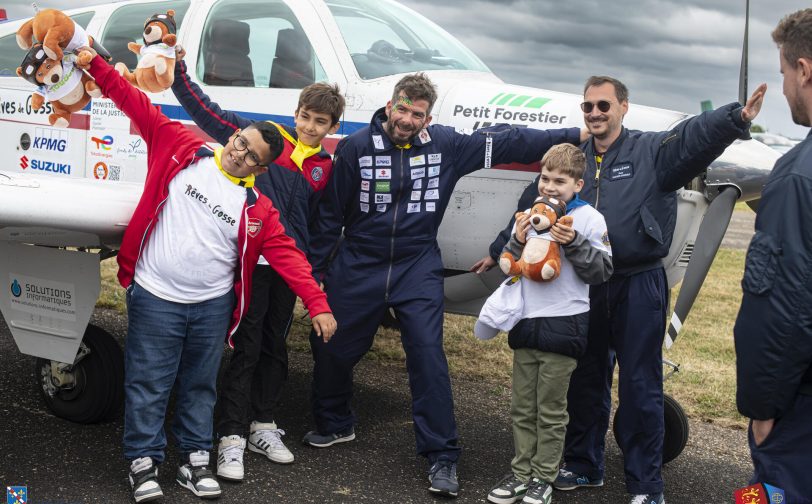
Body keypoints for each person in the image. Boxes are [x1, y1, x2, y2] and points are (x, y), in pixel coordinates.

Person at [475, 77, 765, 504]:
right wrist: (499, 249)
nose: (595, 113)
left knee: (640, 384)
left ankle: (646, 485)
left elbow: (692, 141)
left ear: (623, 108)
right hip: (585, 285)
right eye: (588, 106)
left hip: (638, 282)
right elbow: (536, 204)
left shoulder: (651, 152)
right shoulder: (573, 161)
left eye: (604, 106)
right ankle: (583, 464)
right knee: (585, 379)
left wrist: (733, 118)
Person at [306, 72, 587, 498]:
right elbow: (330, 214)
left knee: (427, 356)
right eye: (401, 109)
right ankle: (334, 421)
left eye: (416, 114)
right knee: (333, 345)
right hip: (360, 258)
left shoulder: (447, 144)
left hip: (417, 261)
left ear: (427, 117)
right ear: (390, 104)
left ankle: (442, 455)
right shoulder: (356, 148)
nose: (406, 119)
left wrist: (579, 133)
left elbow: (512, 140)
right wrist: (318, 272)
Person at [77, 47, 337, 503]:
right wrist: (94, 63)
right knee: (148, 382)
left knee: (200, 385)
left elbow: (291, 258)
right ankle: (143, 462)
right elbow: (130, 98)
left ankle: (196, 460)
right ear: (234, 135)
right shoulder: (180, 147)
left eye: (251, 157)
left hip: (211, 307)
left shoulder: (258, 208)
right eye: (241, 142)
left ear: (261, 168)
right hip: (157, 295)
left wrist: (317, 304)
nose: (239, 154)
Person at [170, 48, 345, 482]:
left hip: (289, 270)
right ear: (296, 113)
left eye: (319, 122)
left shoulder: (327, 167)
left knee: (275, 347)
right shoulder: (267, 145)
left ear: (332, 128)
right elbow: (206, 112)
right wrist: (175, 73)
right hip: (251, 266)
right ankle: (230, 435)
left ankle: (263, 424)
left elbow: (324, 229)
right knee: (245, 347)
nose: (309, 126)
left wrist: (314, 278)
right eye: (304, 116)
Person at [478, 144, 612, 504]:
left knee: (551, 410)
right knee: (522, 407)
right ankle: (521, 473)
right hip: (527, 321)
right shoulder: (530, 214)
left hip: (565, 324)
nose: (551, 187)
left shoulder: (589, 220)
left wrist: (576, 244)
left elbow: (601, 272)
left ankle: (544, 478)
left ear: (578, 184)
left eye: (560, 180)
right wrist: (517, 239)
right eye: (546, 178)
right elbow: (513, 259)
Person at [734, 9, 812, 503]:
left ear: (803, 70)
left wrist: (763, 407)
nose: (783, 89)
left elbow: (780, 306)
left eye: (784, 74)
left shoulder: (797, 176)